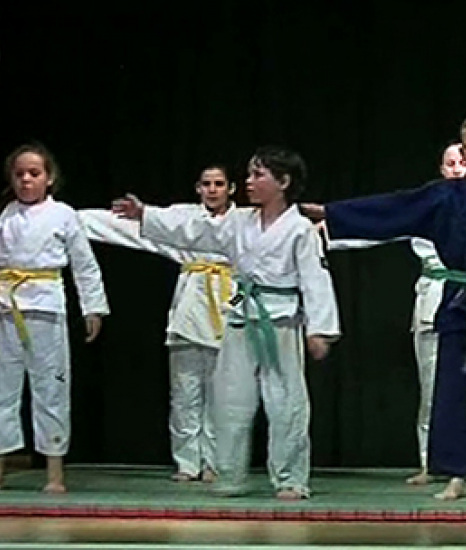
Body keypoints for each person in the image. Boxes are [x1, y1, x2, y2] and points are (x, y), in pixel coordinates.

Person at [303, 112, 466, 500]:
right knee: (451, 389)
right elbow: (395, 209)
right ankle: (455, 474)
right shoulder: (444, 195)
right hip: (458, 301)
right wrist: (334, 213)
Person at [112, 146, 340, 500]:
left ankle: (291, 477)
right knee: (229, 399)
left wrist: (319, 330)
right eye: (249, 174)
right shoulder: (237, 221)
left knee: (286, 401)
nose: (248, 182)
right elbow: (194, 230)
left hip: (279, 320)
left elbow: (316, 280)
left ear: (283, 181)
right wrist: (146, 215)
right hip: (240, 315)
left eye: (258, 175)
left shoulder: (300, 229)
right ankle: (230, 474)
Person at [327, 143, 466, 485]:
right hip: (436, 296)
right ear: (442, 169)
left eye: (464, 162)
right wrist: (329, 231)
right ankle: (432, 461)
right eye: (451, 163)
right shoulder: (427, 206)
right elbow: (379, 226)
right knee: (434, 384)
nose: (457, 168)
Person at [79, 165, 237, 483]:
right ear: (197, 188)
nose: (212, 189)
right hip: (189, 309)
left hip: (228, 306)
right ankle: (187, 462)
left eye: (219, 184)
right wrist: (67, 219)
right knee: (184, 393)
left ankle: (216, 463)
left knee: (223, 395)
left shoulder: (245, 221)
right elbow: (132, 229)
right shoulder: (181, 217)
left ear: (231, 188)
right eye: (206, 184)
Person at [0, 143, 109, 493]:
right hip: (6, 306)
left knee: (51, 387)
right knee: (3, 389)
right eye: (19, 175)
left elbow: (84, 264)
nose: (26, 180)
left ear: (50, 178)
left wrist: (92, 307)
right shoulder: (5, 216)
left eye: (34, 174)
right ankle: (1, 465)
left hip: (47, 307)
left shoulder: (63, 214)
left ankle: (54, 473)